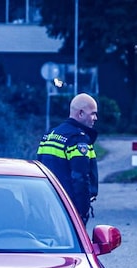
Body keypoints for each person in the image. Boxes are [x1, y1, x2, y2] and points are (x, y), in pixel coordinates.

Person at [37, 93, 99, 225]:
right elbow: (80, 177)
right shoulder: (77, 139)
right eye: (93, 114)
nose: (95, 118)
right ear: (81, 114)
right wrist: (83, 211)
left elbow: (39, 168)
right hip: (69, 207)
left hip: (49, 205)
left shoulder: (49, 135)